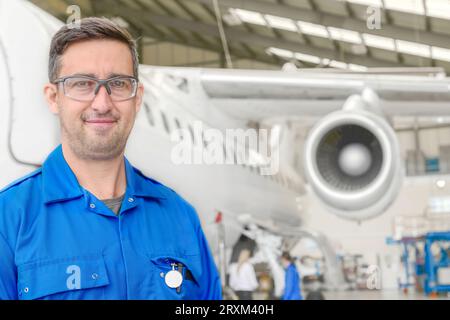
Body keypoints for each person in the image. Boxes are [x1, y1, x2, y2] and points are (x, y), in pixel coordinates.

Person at [0, 17, 221, 300]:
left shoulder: (180, 216)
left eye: (117, 83)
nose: (102, 103)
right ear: (54, 97)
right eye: (81, 83)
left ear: (137, 98)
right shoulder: (9, 220)